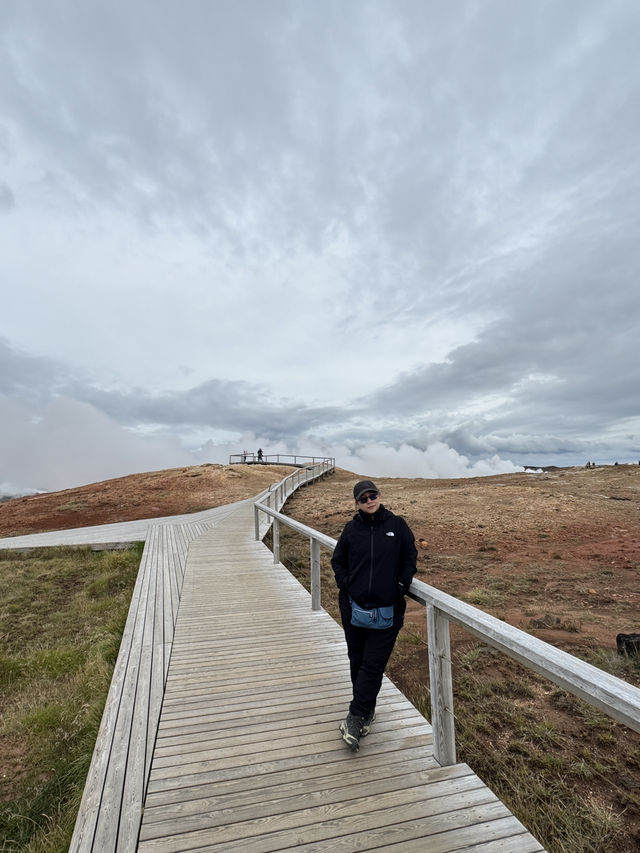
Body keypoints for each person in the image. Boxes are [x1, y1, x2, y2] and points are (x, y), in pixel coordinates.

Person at [331, 479, 417, 752]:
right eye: (363, 498)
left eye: (373, 496)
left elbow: (409, 558)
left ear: (379, 496)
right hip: (353, 607)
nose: (369, 501)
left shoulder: (397, 526)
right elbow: (338, 560)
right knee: (357, 660)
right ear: (356, 503)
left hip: (387, 610)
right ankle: (367, 711)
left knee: (372, 664)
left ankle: (356, 716)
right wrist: (346, 583)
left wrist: (400, 586)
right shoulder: (351, 529)